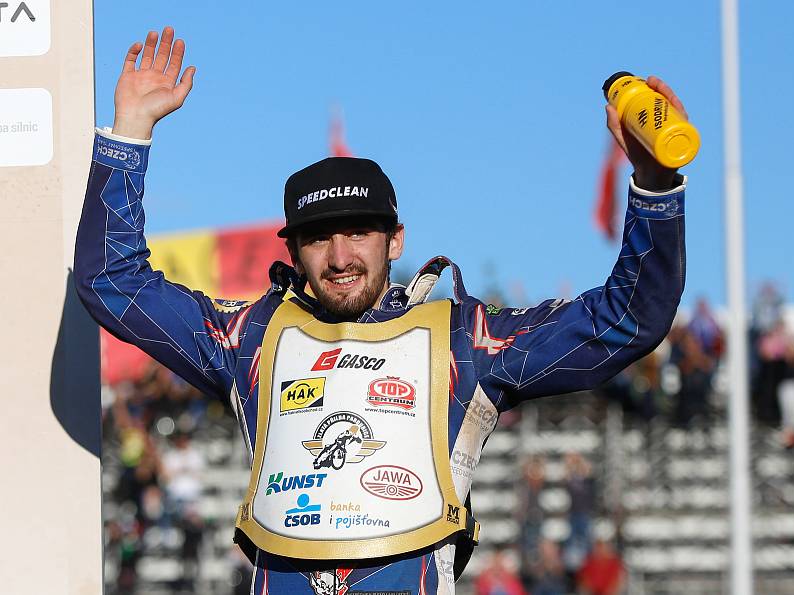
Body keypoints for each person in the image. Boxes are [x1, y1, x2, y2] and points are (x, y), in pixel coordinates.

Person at [75, 27, 689, 594]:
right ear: (290, 248)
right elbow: (113, 281)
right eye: (319, 238)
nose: (341, 256)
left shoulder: (463, 340)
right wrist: (129, 132)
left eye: (359, 234)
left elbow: (624, 320)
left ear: (396, 240)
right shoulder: (249, 337)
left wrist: (655, 186)